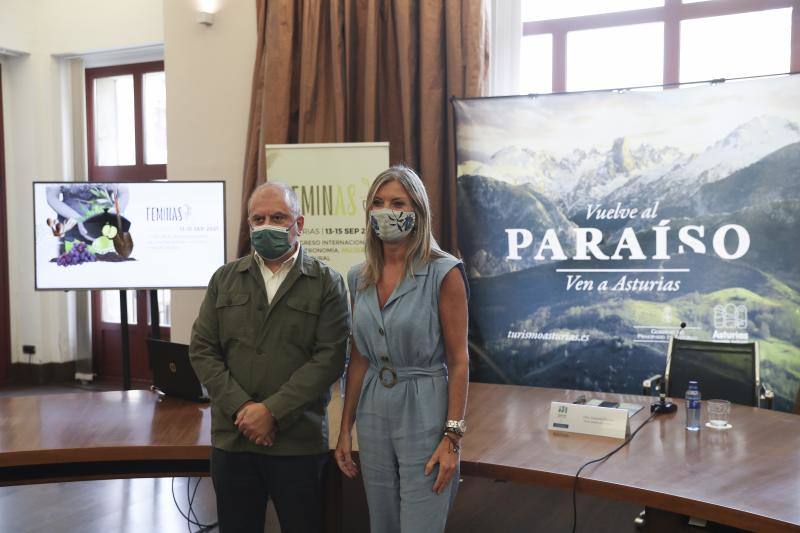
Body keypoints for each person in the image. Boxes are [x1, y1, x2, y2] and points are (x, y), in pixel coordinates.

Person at [189, 182, 349, 533]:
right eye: (258, 219)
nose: (267, 226)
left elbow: (330, 359)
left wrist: (271, 412)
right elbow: (202, 349)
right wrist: (244, 410)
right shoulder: (225, 279)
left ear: (299, 224)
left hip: (297, 444)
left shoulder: (327, 283)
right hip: (233, 440)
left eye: (278, 217)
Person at [335, 165, 470, 533]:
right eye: (377, 202)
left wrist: (452, 437)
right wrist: (345, 428)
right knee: (382, 522)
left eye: (397, 202)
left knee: (420, 521)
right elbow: (360, 356)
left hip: (425, 403)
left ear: (418, 211)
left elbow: (459, 361)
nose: (386, 210)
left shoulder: (444, 272)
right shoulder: (358, 277)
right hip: (373, 407)